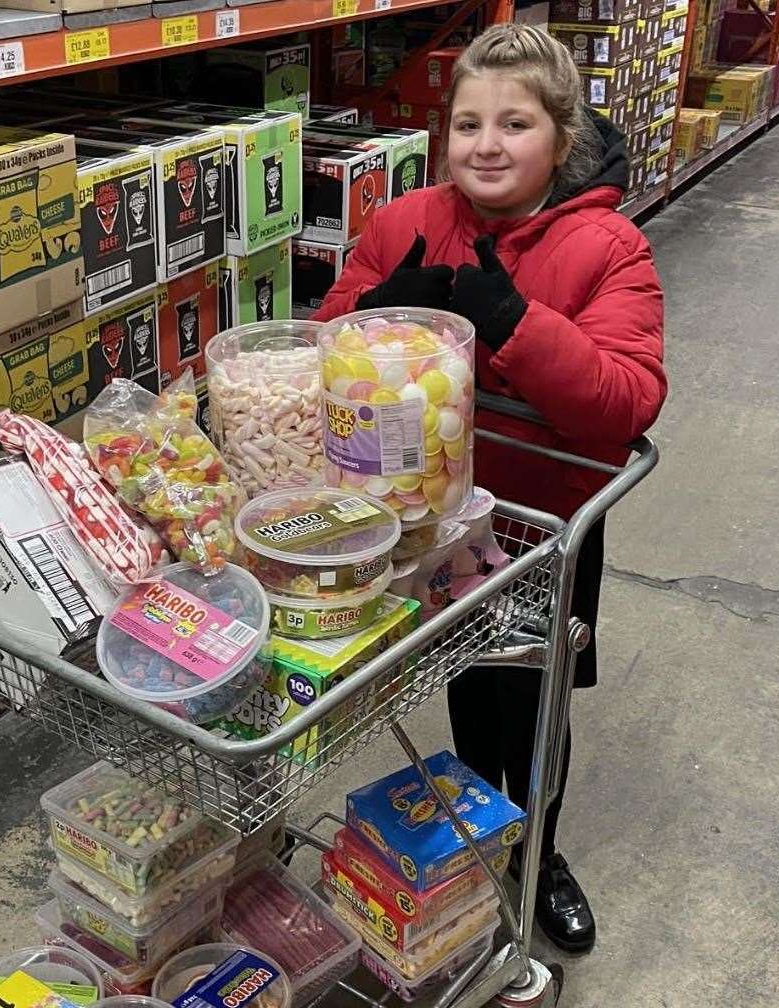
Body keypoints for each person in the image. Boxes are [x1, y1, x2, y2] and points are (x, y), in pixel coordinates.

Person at [313, 23, 667, 953]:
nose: (486, 144)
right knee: (468, 687)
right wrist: (374, 308)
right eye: (466, 123)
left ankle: (540, 848)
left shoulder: (609, 247)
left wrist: (512, 318)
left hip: (539, 528)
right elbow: (324, 342)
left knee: (536, 697)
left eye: (514, 123)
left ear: (559, 135)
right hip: (421, 525)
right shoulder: (404, 222)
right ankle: (481, 834)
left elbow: (622, 403)